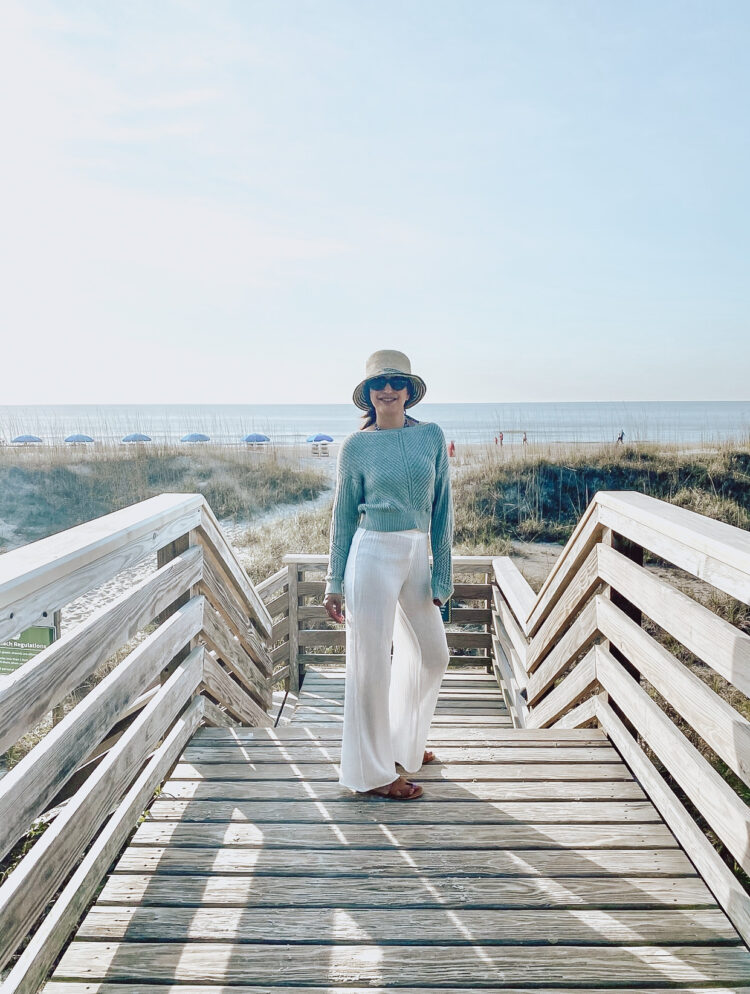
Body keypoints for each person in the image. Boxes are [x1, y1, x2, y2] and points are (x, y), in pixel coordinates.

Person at [323, 349, 453, 800]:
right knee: (370, 665)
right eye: (379, 383)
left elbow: (443, 513)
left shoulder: (432, 437)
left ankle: (403, 743)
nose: (388, 389)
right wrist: (333, 582)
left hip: (417, 555)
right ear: (368, 395)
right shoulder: (356, 446)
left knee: (434, 655)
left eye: (396, 381)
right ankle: (373, 774)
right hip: (371, 554)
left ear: (409, 390)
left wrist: (443, 578)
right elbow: (342, 517)